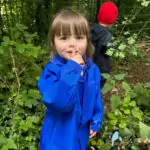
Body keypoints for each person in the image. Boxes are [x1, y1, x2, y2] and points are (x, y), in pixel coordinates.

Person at [37, 9, 103, 150]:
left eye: (79, 37)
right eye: (64, 38)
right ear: (54, 43)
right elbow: (59, 103)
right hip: (58, 139)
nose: (72, 43)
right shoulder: (51, 71)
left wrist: (96, 118)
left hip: (80, 134)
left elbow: (96, 95)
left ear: (87, 40)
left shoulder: (92, 69)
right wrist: (72, 69)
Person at [90, 1, 118, 88]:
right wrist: (117, 46)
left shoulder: (90, 29)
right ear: (113, 20)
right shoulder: (107, 36)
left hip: (88, 67)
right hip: (101, 71)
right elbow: (110, 52)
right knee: (97, 90)